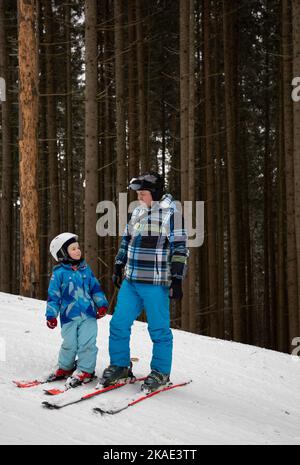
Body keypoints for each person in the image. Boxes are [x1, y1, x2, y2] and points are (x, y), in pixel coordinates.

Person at [101, 172, 189, 392]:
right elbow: (127, 239)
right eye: (138, 194)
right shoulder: (138, 211)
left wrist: (177, 279)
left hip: (156, 284)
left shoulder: (172, 214)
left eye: (142, 193)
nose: (139, 197)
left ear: (156, 194)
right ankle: (121, 365)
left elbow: (180, 248)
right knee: (118, 324)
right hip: (131, 281)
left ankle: (160, 372)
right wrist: (119, 265)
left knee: (158, 330)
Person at [45, 232, 108, 388]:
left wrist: (102, 305)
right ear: (62, 254)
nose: (78, 250)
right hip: (68, 316)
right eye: (73, 248)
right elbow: (54, 296)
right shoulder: (58, 274)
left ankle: (86, 370)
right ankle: (65, 367)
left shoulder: (85, 269)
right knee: (69, 344)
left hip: (88, 315)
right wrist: (51, 315)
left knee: (87, 343)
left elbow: (95, 289)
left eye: (78, 247)